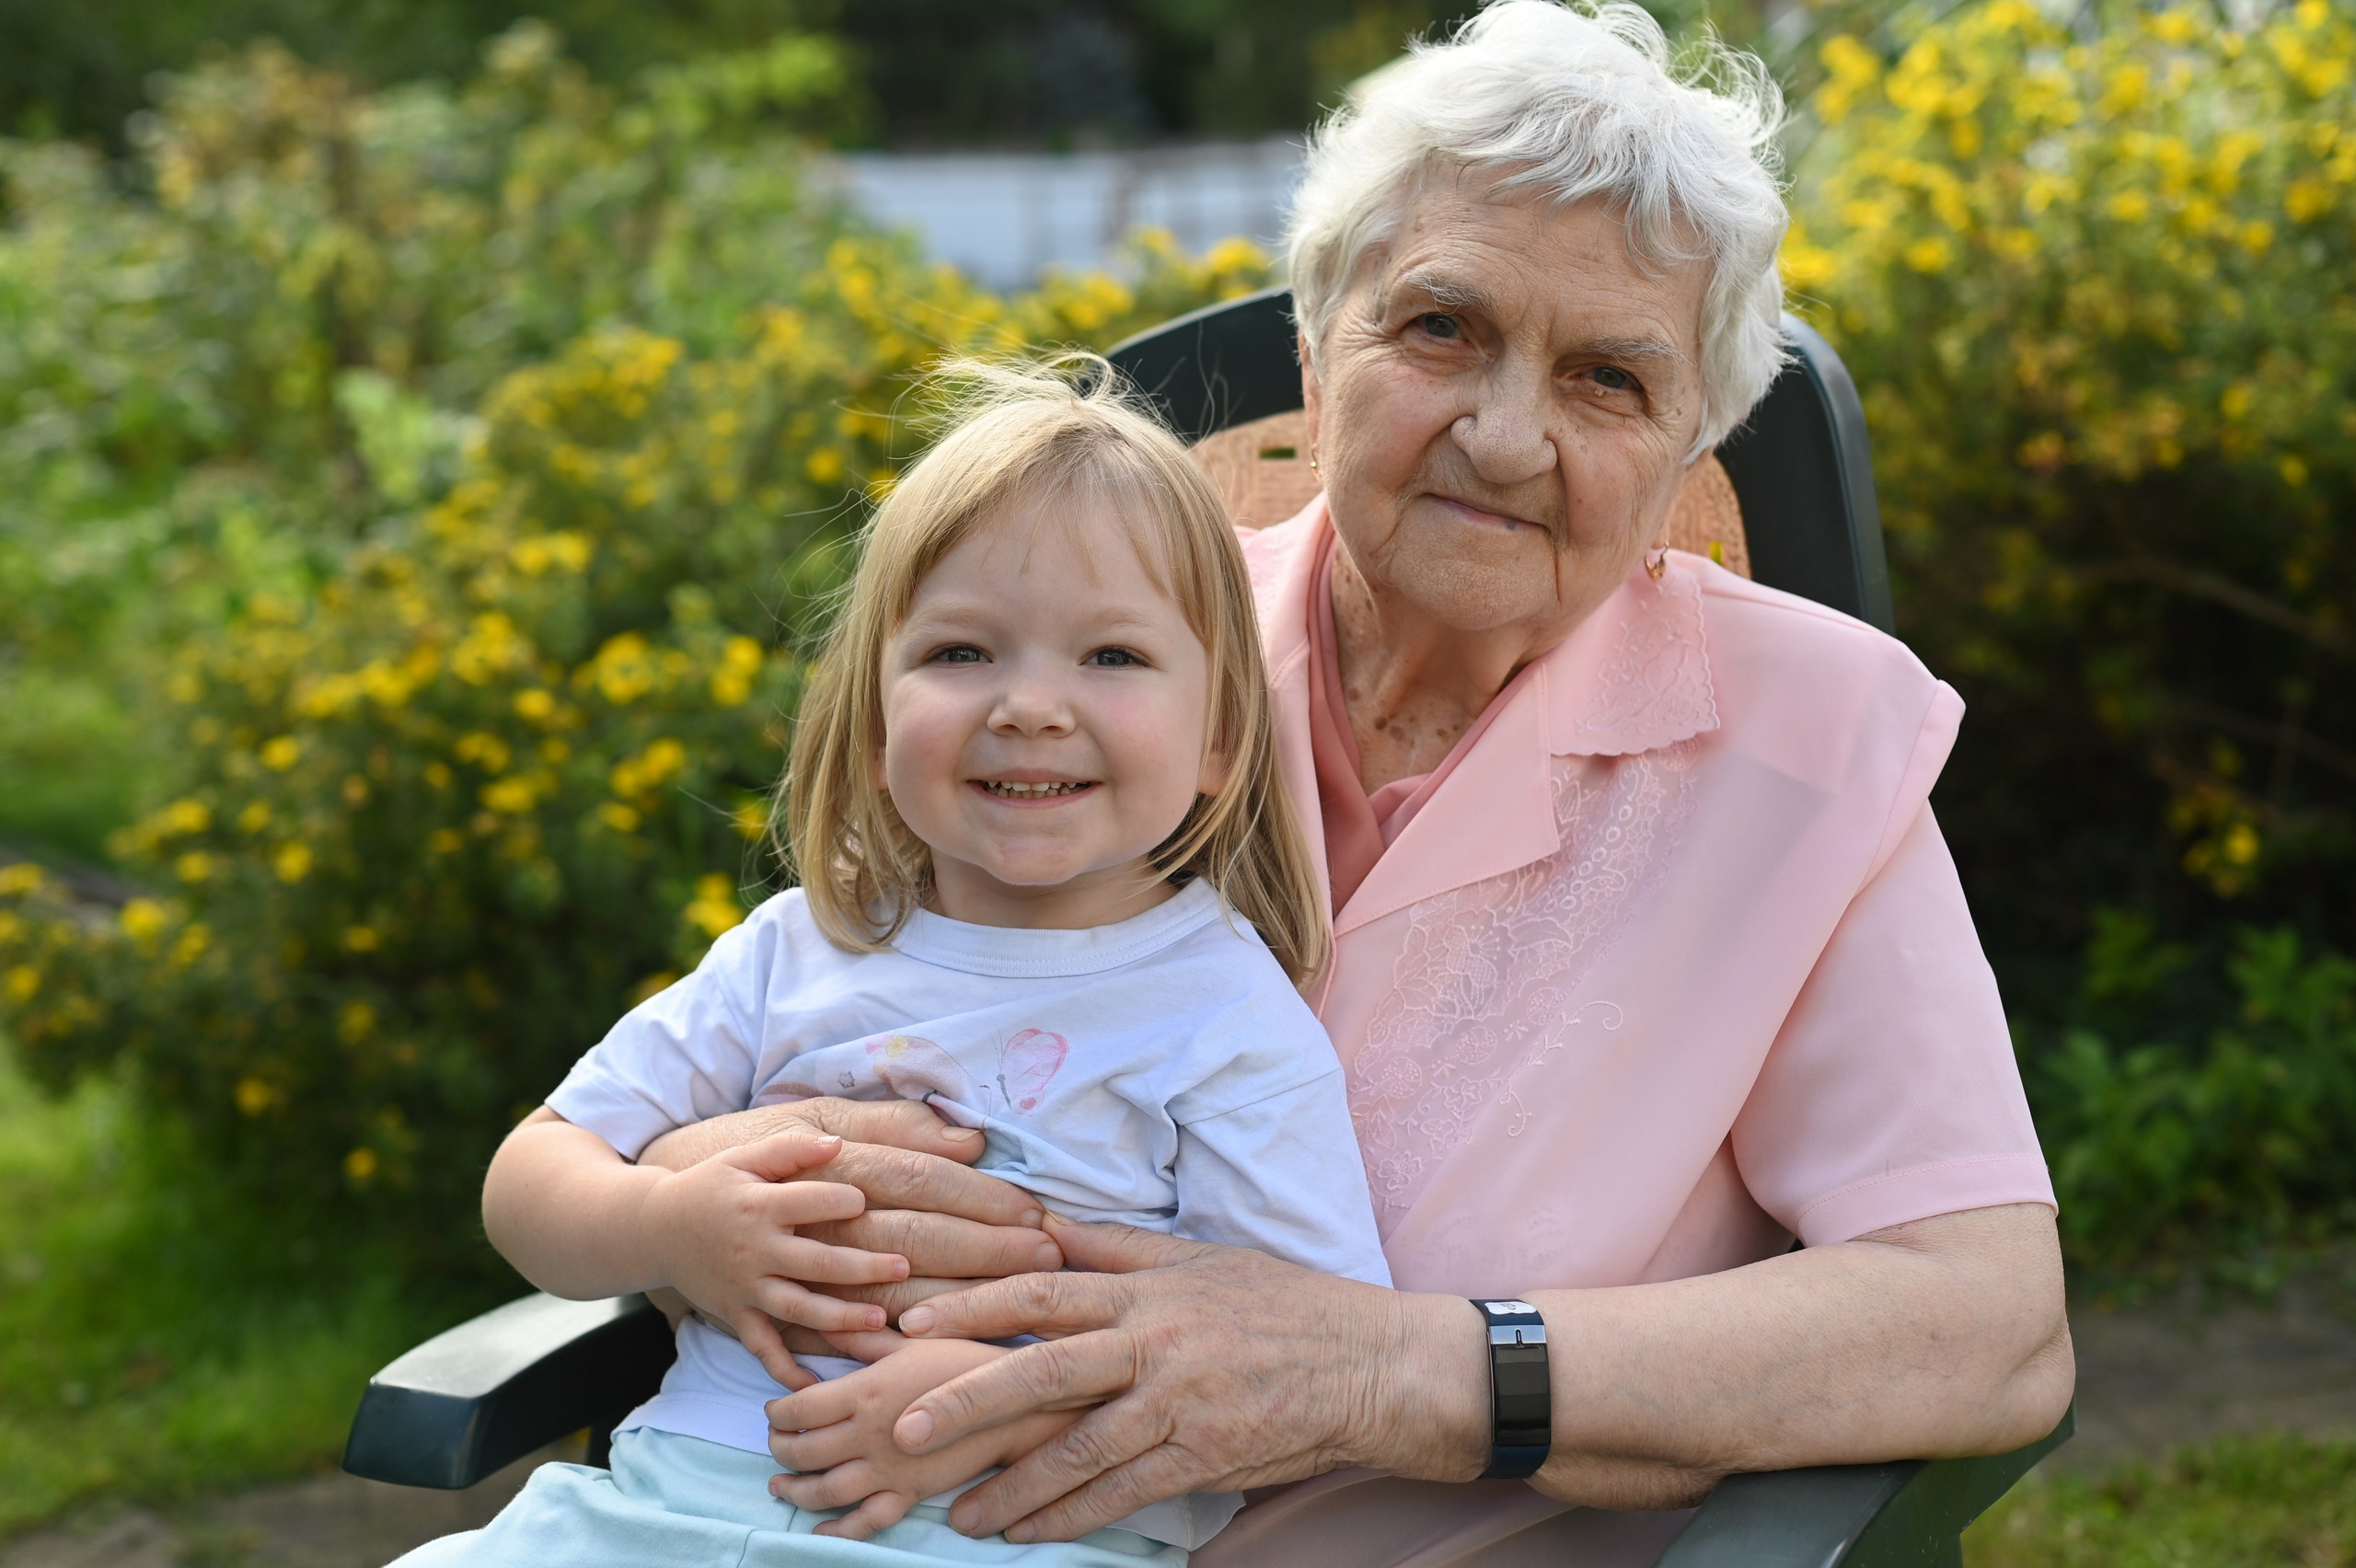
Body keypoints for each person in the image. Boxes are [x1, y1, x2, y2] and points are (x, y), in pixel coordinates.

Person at [632, 5, 2076, 1565]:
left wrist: (1402, 1374)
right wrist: (699, 1197)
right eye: (1443, 327)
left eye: (1606, 378)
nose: (1507, 434)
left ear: (1687, 451)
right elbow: (799, 1016)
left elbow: (1981, 1321)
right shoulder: (1093, 677)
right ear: (1318, 355)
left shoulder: (1805, 748)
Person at [391, 364, 1393, 1567]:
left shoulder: (1222, 1015)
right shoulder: (800, 951)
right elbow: (530, 1179)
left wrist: (997, 1408)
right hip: (663, 1509)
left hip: (1004, 1537)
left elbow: (1309, 1368)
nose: (1029, 705)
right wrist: (668, 1224)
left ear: (1222, 735)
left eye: (1112, 658)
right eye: (962, 651)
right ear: (873, 724)